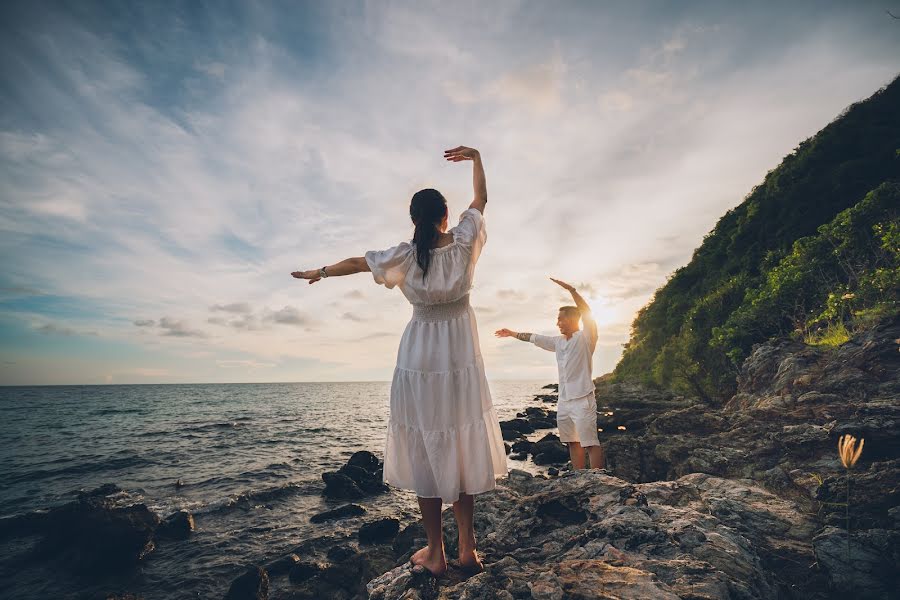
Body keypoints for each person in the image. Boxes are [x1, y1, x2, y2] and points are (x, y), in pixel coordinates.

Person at [291, 146, 507, 577]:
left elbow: (358, 261)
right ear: (446, 215)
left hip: (419, 359)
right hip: (460, 355)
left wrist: (321, 272)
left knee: (427, 448)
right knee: (461, 449)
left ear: (414, 220)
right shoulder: (465, 241)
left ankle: (435, 553)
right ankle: (468, 549)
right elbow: (482, 199)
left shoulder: (406, 255)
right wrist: (477, 159)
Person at [495, 278, 606, 470]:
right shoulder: (558, 342)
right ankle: (579, 477)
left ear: (572, 319)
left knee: (590, 442)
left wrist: (572, 291)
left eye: (560, 318)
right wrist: (512, 333)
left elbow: (587, 314)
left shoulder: (586, 338)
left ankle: (600, 480)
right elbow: (533, 337)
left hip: (583, 398)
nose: (557, 323)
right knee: (573, 441)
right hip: (564, 400)